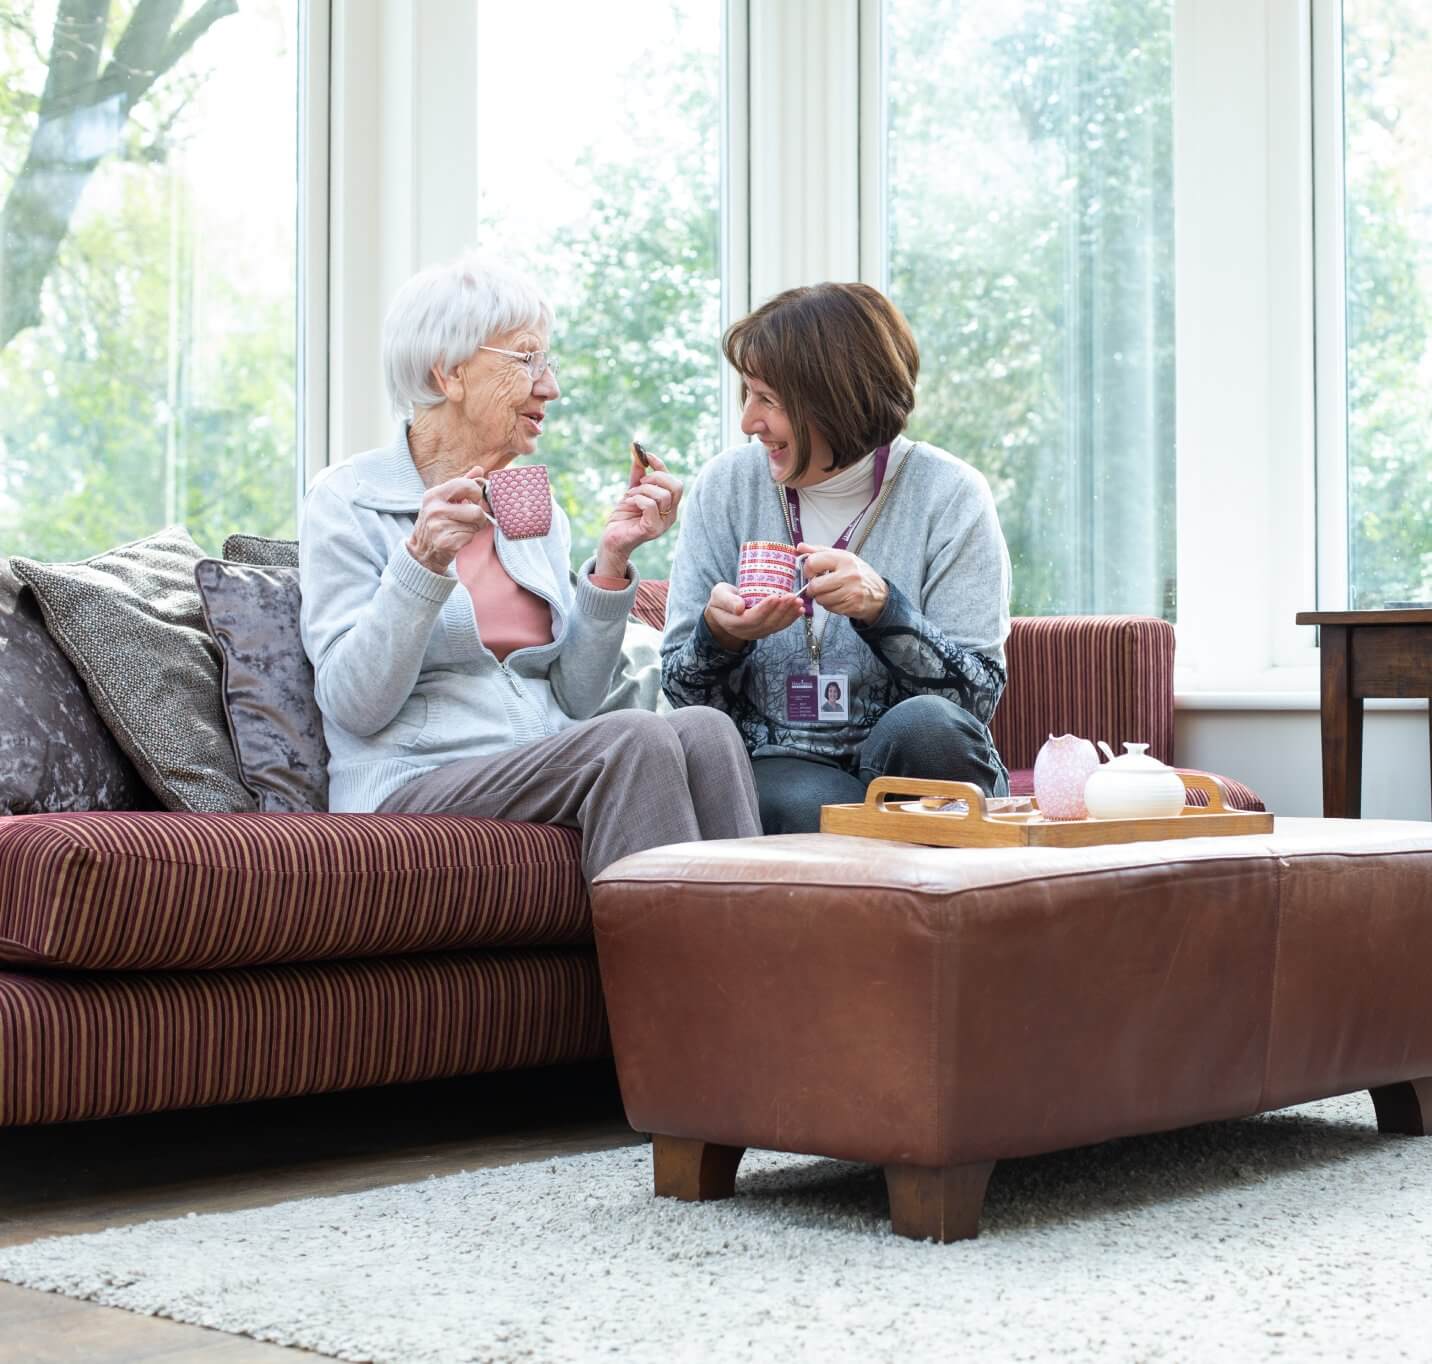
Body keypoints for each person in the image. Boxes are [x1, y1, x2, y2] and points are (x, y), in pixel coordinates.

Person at [300, 253, 760, 880]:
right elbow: (354, 705)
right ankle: (683, 977)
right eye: (527, 359)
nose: (550, 387)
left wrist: (612, 561)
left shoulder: (529, 506)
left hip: (534, 763)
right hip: (412, 780)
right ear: (450, 371)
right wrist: (423, 561)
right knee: (636, 737)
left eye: (548, 363)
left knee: (704, 730)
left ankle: (757, 972)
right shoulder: (349, 500)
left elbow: (577, 695)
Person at [661, 282, 1011, 834]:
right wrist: (720, 636)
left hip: (913, 761)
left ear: (835, 400)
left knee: (930, 729)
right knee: (803, 807)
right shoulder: (726, 487)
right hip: (782, 761)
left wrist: (884, 610)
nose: (748, 422)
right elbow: (683, 695)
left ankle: (936, 902)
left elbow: (973, 702)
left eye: (768, 400)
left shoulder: (950, 494)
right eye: (746, 395)